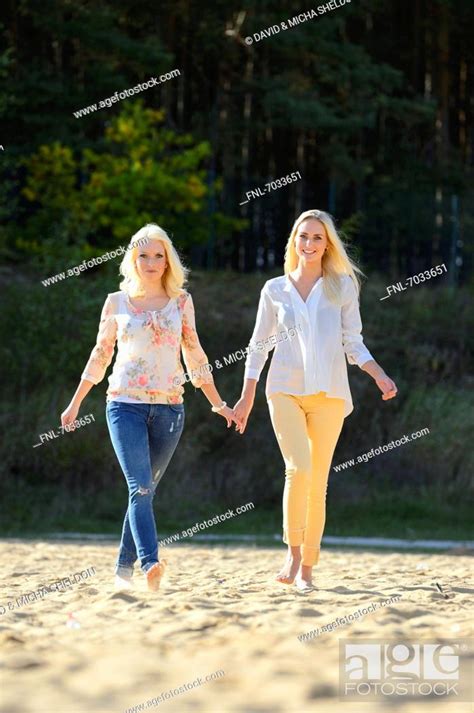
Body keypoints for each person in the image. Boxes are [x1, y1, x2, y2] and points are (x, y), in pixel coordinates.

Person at [61, 223, 239, 592]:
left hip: (171, 409)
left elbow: (194, 354)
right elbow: (100, 354)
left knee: (144, 491)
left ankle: (121, 572)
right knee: (139, 486)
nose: (152, 262)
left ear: (168, 260)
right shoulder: (116, 302)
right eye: (144, 255)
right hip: (124, 405)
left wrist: (219, 403)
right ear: (133, 259)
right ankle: (150, 562)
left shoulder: (182, 302)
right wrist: (76, 403)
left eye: (159, 255)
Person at [233, 209, 397, 592]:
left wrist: (378, 374)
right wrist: (246, 396)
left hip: (330, 396)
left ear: (327, 244)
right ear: (294, 240)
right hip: (284, 390)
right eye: (303, 236)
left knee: (318, 481)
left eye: (317, 238)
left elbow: (351, 341)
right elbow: (259, 345)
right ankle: (292, 551)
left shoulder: (342, 286)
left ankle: (308, 568)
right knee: (298, 469)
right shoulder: (274, 290)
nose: (309, 244)